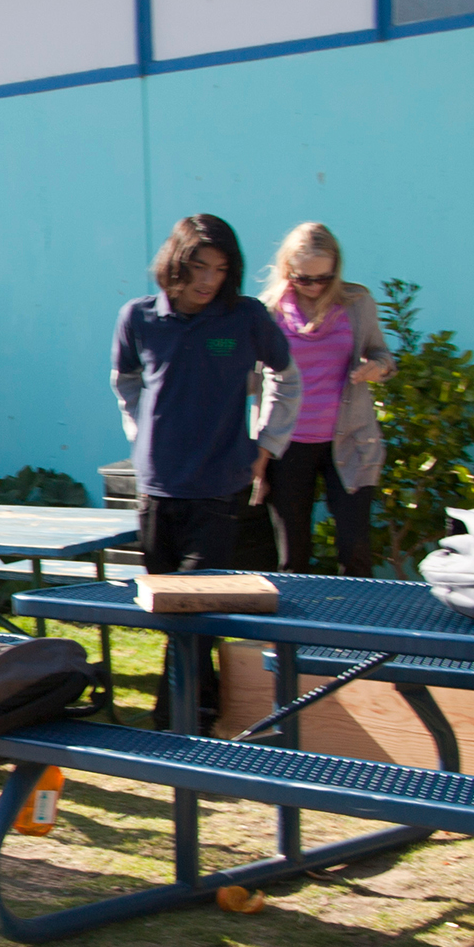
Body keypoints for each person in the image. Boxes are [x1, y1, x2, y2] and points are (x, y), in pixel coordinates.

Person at [112, 214, 290, 728]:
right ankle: (205, 707)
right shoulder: (138, 317)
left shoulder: (246, 317)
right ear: (175, 264)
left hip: (219, 485)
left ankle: (175, 720)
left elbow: (286, 377)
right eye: (199, 267)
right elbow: (124, 380)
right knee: (171, 612)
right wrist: (138, 433)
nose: (209, 279)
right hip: (156, 488)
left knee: (197, 607)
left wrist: (268, 443)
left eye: (221, 268)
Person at [250, 223, 395, 577]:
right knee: (292, 554)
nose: (314, 287)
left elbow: (384, 357)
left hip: (349, 438)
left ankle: (355, 630)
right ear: (287, 271)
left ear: (337, 271)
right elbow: (251, 383)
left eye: (324, 279)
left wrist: (376, 368)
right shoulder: (268, 313)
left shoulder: (356, 304)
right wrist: (256, 450)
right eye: (303, 279)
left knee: (354, 548)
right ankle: (289, 633)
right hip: (287, 444)